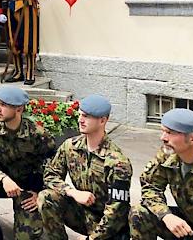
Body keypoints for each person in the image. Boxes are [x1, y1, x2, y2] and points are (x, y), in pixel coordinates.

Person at [38, 95, 132, 239]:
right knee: (47, 197)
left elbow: (117, 211)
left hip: (110, 228)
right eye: (80, 114)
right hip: (82, 214)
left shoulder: (117, 162)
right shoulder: (70, 146)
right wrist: (72, 192)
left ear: (102, 120)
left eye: (87, 116)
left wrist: (92, 238)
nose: (80, 120)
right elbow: (50, 176)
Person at [0, 86, 55, 239]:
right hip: (0, 183)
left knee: (25, 237)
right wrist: (3, 179)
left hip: (26, 188)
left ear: (19, 109)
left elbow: (53, 164)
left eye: (3, 105)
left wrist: (40, 192)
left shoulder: (37, 134)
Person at [129, 108, 193, 239]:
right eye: (163, 131)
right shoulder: (167, 155)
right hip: (187, 227)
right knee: (139, 213)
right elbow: (150, 187)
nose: (163, 138)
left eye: (170, 133)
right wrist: (166, 215)